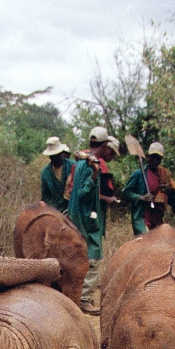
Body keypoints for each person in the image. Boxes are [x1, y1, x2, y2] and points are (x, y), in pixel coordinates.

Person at [68, 126, 119, 315]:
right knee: (94, 257)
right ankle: (84, 300)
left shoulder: (83, 161)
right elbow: (83, 194)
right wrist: (95, 175)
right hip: (85, 219)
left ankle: (78, 296)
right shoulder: (90, 165)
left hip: (79, 217)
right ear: (105, 145)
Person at [122, 141, 175, 235]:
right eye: (153, 157)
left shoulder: (165, 176)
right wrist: (140, 197)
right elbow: (125, 193)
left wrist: (170, 191)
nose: (155, 161)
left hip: (157, 220)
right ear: (148, 157)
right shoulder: (139, 174)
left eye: (158, 158)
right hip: (142, 219)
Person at [41, 136, 74, 213]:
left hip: (73, 209)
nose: (54, 158)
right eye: (52, 156)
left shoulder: (72, 166)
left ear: (61, 153)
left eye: (56, 155)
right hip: (55, 212)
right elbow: (45, 197)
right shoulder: (45, 173)